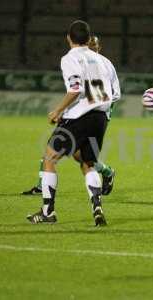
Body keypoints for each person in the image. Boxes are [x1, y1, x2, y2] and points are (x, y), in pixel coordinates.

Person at [27, 21, 120, 225]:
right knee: (88, 163)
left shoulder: (70, 58)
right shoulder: (103, 61)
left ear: (68, 38)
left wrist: (58, 110)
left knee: (49, 158)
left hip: (80, 116)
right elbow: (113, 94)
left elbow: (75, 89)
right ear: (88, 39)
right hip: (100, 118)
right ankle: (97, 208)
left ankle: (48, 212)